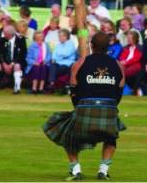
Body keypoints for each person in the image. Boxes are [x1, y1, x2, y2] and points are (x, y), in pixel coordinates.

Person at [43, 32, 125, 181]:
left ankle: (75, 170)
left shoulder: (80, 63)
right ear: (108, 47)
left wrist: (78, 108)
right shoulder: (118, 65)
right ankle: (103, 170)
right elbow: (119, 91)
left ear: (91, 46)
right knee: (111, 135)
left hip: (84, 110)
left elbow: (73, 88)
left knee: (68, 134)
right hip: (109, 112)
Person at [0, 24, 27, 94]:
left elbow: (22, 54)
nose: (3, 35)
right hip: (3, 63)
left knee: (17, 66)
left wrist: (12, 63)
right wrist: (4, 63)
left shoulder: (21, 40)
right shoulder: (1, 40)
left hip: (15, 63)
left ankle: (17, 88)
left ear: (10, 34)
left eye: (5, 33)